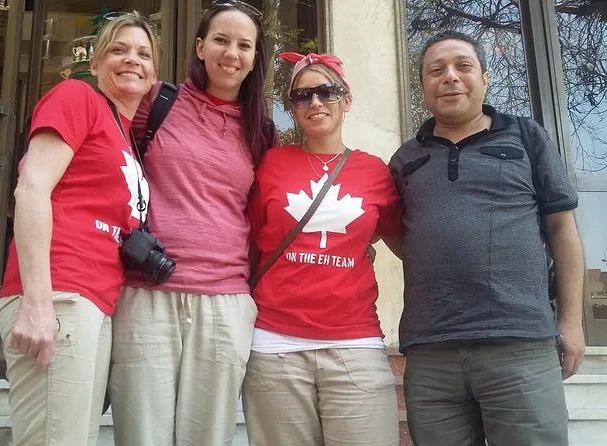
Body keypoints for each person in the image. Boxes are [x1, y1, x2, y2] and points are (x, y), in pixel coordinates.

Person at [388, 30, 585, 446]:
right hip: (431, 353)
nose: (450, 77)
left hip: (520, 343)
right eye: (436, 70)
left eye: (463, 66)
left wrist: (570, 321)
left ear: (484, 77)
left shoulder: (526, 137)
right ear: (422, 85)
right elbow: (397, 232)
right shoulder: (405, 158)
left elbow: (562, 230)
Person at [106, 1, 271, 445]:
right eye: (220, 40)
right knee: (143, 436)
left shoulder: (261, 131)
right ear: (200, 47)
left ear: (254, 57)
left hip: (224, 302)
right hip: (148, 294)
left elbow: (265, 217)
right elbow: (106, 161)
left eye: (244, 45)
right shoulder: (157, 101)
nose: (231, 53)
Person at [0, 11, 158, 446]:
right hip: (60, 293)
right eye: (119, 49)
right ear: (95, 61)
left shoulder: (124, 135)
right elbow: (32, 188)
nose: (133, 59)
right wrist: (37, 302)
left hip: (95, 302)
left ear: (153, 75)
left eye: (144, 54)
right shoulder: (77, 96)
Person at [242, 51, 403, 446]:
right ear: (293, 108)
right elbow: (251, 241)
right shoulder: (272, 164)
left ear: (346, 100)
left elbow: (400, 238)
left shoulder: (375, 172)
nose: (315, 102)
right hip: (275, 346)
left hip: (355, 344)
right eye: (302, 96)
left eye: (327, 92)